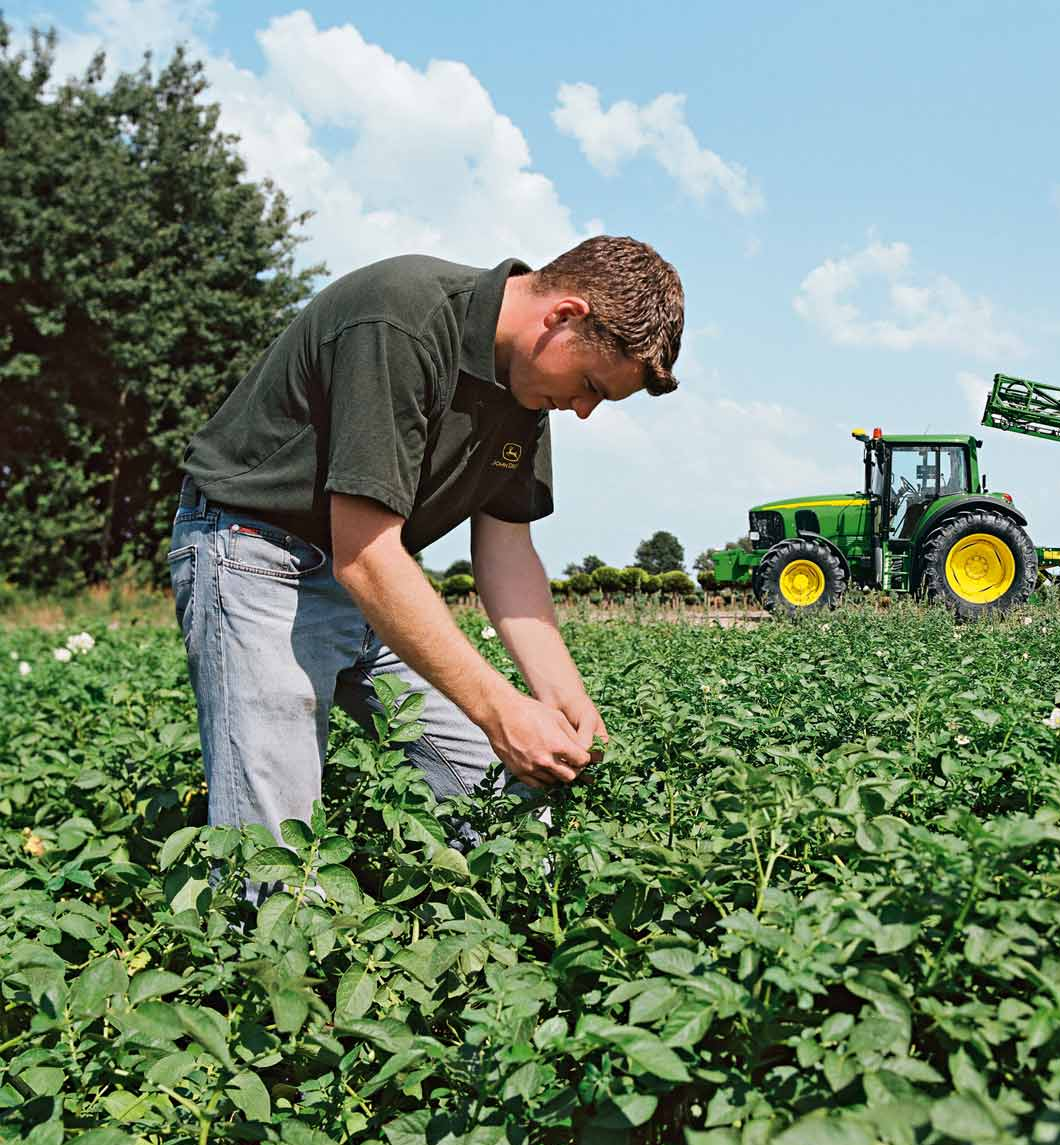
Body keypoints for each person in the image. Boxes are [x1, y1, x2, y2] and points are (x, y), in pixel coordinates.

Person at [169, 235, 684, 841]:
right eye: (593, 386)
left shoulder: (528, 391)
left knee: (514, 806)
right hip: (260, 557)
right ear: (563, 317)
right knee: (274, 848)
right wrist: (500, 710)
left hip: (380, 578)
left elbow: (507, 551)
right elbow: (364, 553)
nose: (584, 410)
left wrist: (566, 701)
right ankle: (256, 925)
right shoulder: (401, 320)